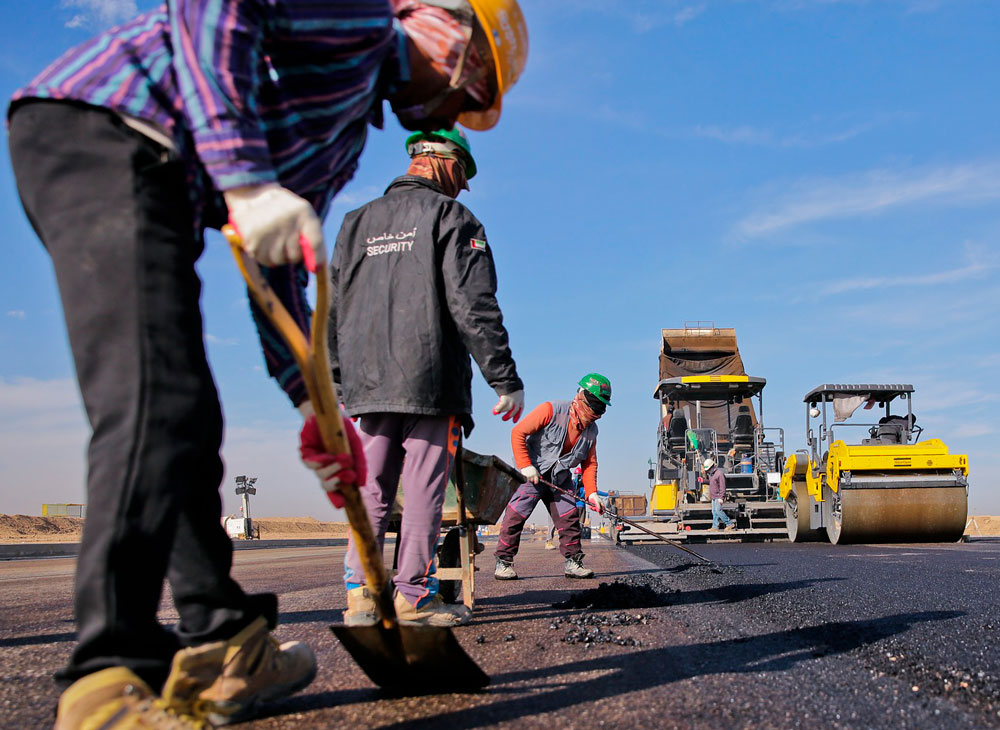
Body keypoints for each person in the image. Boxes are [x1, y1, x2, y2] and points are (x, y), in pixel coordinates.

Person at [8, 1, 527, 727]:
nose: (454, 109)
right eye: (470, 88)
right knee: (153, 405)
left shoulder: (344, 133)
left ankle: (225, 641)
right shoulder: (357, 16)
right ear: (449, 33)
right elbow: (212, 8)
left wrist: (310, 400)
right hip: (107, 130)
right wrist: (246, 179)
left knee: (187, 419)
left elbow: (276, 260)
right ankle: (106, 676)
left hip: (163, 178)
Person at [329, 126, 525, 628]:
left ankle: (361, 596)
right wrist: (504, 377)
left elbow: (333, 307)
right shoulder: (452, 217)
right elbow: (473, 304)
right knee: (422, 491)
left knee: (371, 488)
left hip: (368, 384)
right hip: (430, 381)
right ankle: (412, 598)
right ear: (446, 161)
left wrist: (337, 379)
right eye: (462, 176)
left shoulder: (355, 223)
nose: (461, 187)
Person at [494, 374, 611, 581]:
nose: (595, 411)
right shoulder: (551, 410)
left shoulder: (592, 431)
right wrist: (525, 466)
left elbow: (589, 463)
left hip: (560, 479)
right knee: (515, 516)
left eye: (600, 407)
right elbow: (518, 432)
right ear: (581, 396)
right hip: (532, 474)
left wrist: (592, 493)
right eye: (594, 404)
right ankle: (503, 562)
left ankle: (573, 563)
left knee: (569, 519)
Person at [703, 458, 736, 531]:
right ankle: (715, 526)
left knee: (718, 511)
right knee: (714, 512)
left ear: (712, 466)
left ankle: (729, 524)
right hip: (713, 496)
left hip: (718, 496)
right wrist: (703, 481)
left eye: (708, 469)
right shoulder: (711, 474)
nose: (708, 471)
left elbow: (723, 486)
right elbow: (711, 482)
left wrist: (721, 497)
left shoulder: (719, 474)